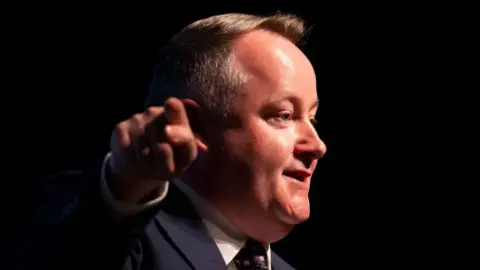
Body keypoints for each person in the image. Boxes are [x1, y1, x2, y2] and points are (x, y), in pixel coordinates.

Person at [7, 12, 327, 270]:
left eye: (311, 119)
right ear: (195, 126)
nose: (318, 145)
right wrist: (125, 180)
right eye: (283, 116)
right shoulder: (120, 240)